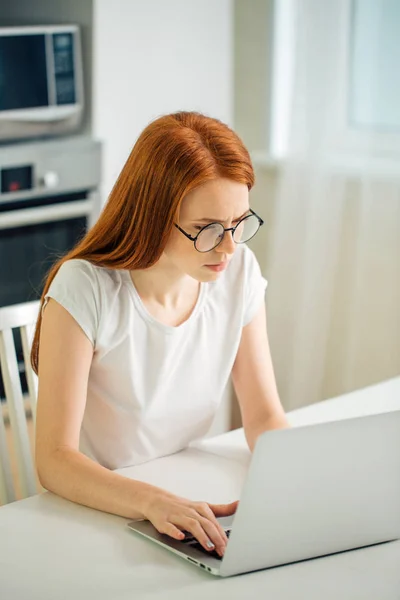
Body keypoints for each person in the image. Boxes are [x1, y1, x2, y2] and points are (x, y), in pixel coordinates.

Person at [32, 111, 288, 558]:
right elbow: (54, 460)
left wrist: (298, 475)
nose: (229, 247)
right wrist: (153, 501)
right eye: (206, 230)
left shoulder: (238, 272)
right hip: (98, 509)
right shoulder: (86, 288)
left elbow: (264, 416)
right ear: (152, 216)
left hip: (186, 490)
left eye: (239, 223)